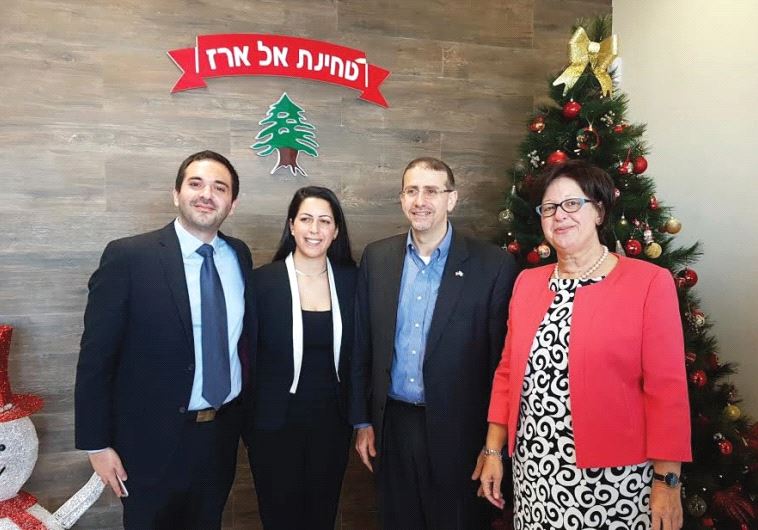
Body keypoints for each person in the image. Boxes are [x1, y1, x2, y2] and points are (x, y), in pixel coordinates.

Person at [479, 159, 691, 530]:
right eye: (549, 208)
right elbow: (508, 372)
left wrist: (667, 481)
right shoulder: (527, 283)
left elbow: (667, 389)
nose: (559, 215)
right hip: (536, 472)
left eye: (572, 204)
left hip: (615, 480)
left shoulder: (648, 283)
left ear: (599, 211)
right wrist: (493, 450)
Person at [74, 150, 255, 529]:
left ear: (232, 204)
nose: (207, 195)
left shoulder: (239, 254)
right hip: (149, 442)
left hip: (220, 436)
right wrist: (96, 444)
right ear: (176, 194)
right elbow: (96, 357)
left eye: (219, 188)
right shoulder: (129, 257)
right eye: (196, 184)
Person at [350, 157, 518, 529]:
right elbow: (363, 345)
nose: (420, 201)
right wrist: (362, 420)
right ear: (401, 198)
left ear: (451, 199)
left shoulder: (493, 265)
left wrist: (494, 446)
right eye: (411, 191)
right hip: (392, 426)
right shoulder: (377, 257)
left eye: (431, 191)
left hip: (461, 432)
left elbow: (501, 363)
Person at [245, 186, 356, 529]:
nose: (314, 229)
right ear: (291, 225)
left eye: (325, 221)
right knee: (279, 516)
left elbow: (361, 355)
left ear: (336, 231)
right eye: (306, 219)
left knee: (322, 514)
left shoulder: (352, 282)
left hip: (332, 424)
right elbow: (246, 357)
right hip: (273, 425)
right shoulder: (262, 282)